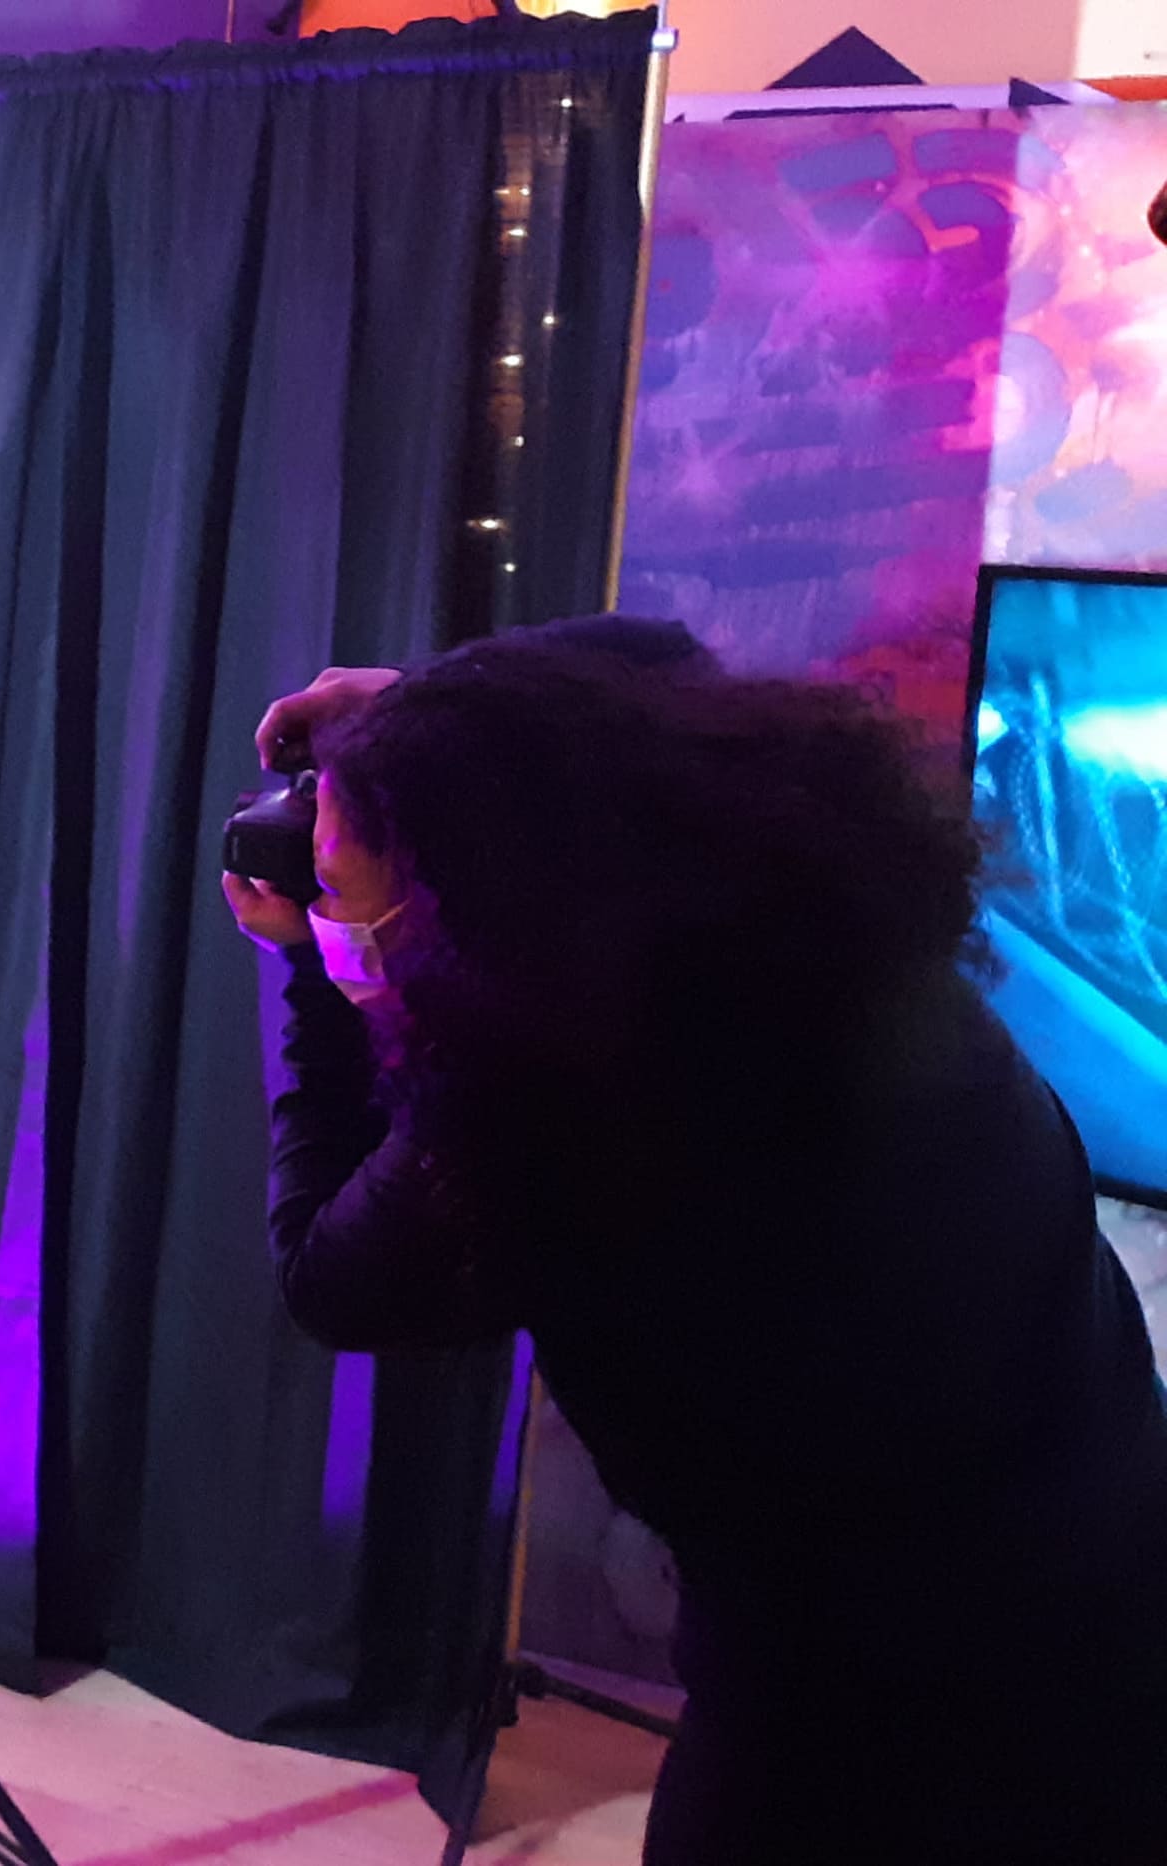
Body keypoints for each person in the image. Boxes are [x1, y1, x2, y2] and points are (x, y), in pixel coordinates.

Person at [223, 618, 1167, 1864]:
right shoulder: (834, 949)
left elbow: (328, 1277)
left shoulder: (559, 1123)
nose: (331, 904)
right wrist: (438, 725)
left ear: (474, 921)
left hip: (866, 1738)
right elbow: (652, 667)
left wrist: (322, 977)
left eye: (348, 884)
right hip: (1126, 1602)